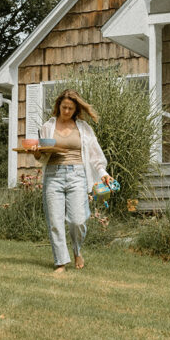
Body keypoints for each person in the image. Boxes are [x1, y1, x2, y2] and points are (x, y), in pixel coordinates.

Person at [35, 89, 112, 273]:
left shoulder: (83, 128)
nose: (67, 111)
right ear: (58, 106)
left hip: (77, 175)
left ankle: (77, 250)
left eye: (70, 108)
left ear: (76, 109)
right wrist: (37, 152)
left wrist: (103, 172)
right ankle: (60, 262)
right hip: (53, 175)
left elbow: (94, 154)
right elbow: (41, 156)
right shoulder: (48, 126)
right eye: (64, 107)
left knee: (78, 220)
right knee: (55, 221)